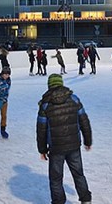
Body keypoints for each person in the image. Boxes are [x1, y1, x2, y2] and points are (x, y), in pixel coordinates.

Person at [36, 74, 92, 204]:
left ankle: (59, 201)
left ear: (49, 85)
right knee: (78, 174)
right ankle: (86, 200)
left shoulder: (45, 104)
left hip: (56, 148)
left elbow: (41, 129)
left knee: (56, 178)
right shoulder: (74, 99)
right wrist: (87, 140)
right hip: (74, 146)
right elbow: (84, 121)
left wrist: (42, 149)